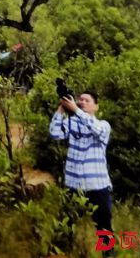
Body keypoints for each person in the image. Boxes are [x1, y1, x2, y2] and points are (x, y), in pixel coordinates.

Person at [49, 91, 114, 242]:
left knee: (104, 229)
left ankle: (108, 254)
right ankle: (62, 252)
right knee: (65, 226)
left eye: (87, 100)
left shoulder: (103, 125)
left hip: (97, 187)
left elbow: (96, 129)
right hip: (74, 186)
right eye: (80, 100)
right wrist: (61, 109)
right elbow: (54, 133)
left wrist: (76, 110)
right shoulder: (72, 124)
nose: (82, 102)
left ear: (96, 106)